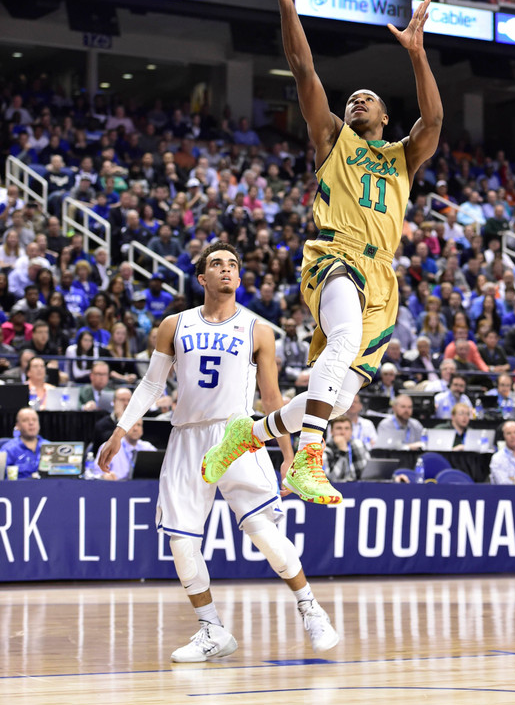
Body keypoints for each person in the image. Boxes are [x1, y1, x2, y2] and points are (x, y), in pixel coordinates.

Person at [202, 0, 443, 504]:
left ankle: (251, 433)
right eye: (353, 97)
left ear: (385, 116)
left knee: (336, 398)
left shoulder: (405, 156)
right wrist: (288, 2)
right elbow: (304, 69)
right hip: (335, 254)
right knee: (339, 343)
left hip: (383, 276)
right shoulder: (333, 138)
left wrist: (417, 53)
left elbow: (433, 119)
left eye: (369, 99)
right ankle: (309, 459)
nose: (357, 99)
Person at [98, 242, 338, 662]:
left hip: (239, 434)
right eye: (216, 264)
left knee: (263, 531)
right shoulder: (174, 324)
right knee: (180, 540)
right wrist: (120, 429)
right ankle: (212, 631)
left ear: (239, 278)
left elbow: (272, 397)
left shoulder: (258, 329)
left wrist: (288, 455)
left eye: (232, 265)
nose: (226, 270)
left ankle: (311, 609)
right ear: (201, 277)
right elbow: (153, 385)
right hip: (186, 436)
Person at [322, 415, 371, 481]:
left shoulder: (358, 445)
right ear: (331, 432)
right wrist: (342, 452)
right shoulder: (323, 449)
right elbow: (330, 479)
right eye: (339, 428)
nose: (343, 432)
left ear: (351, 431)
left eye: (347, 428)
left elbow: (368, 474)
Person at [3, 407, 44, 479]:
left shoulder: (49, 446)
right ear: (17, 426)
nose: (31, 423)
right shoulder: (8, 449)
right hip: (18, 488)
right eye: (25, 420)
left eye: (34, 420)